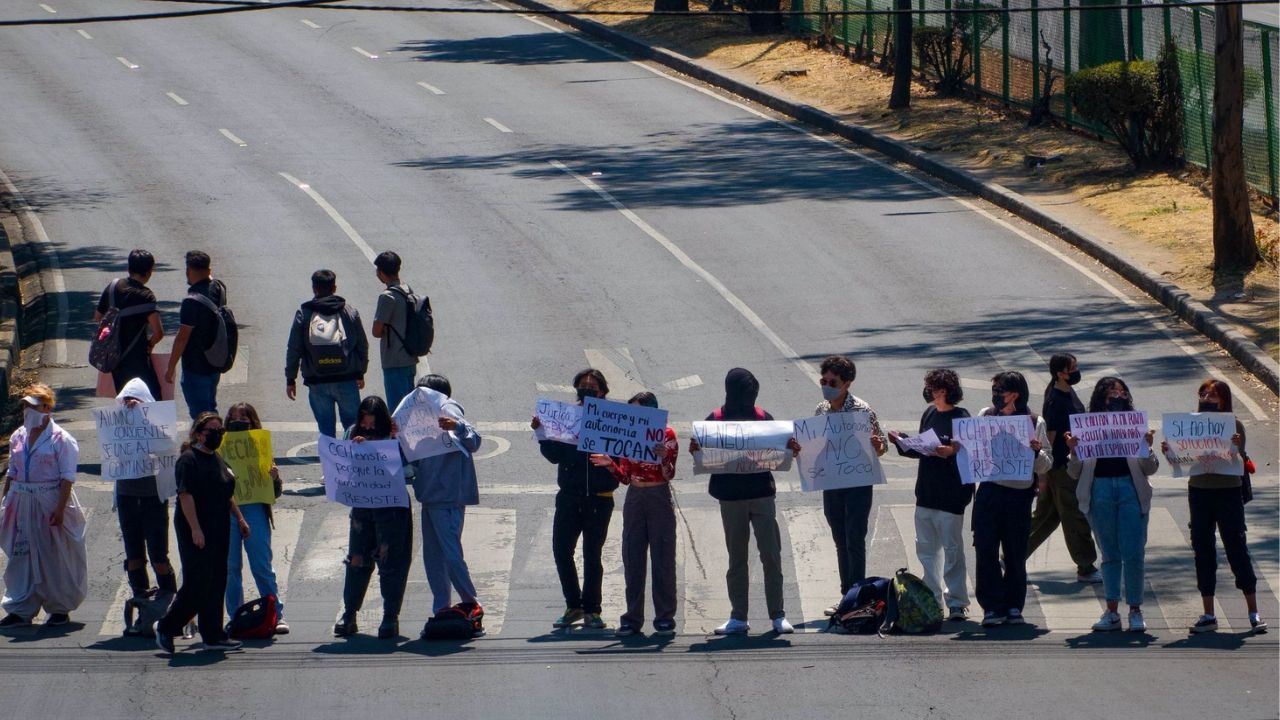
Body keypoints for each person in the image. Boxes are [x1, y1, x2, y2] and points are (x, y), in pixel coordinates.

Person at [689, 368, 793, 635]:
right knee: (737, 559)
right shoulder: (715, 420)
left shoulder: (763, 418)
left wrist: (790, 448)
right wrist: (697, 450)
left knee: (771, 555)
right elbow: (703, 454)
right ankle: (738, 616)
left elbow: (780, 451)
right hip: (731, 499)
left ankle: (777, 614)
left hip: (762, 496)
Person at [1161, 379, 1267, 634]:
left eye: (1213, 395)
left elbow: (1240, 464)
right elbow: (1180, 462)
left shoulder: (1234, 425)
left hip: (1228, 493)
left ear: (1224, 400)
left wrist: (1234, 447)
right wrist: (1169, 452)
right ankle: (1208, 613)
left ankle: (1253, 611)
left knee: (1236, 548)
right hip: (1199, 492)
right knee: (1203, 549)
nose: (1207, 398)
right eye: (1204, 394)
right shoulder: (1187, 425)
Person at [1063, 377, 1158, 633]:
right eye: (1111, 392)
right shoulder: (1087, 425)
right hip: (1100, 491)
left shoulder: (1135, 424)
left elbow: (1150, 468)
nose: (1117, 396)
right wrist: (1073, 450)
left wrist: (1147, 448)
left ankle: (1135, 609)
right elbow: (1074, 472)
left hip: (1130, 489)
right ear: (1101, 397)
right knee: (1110, 554)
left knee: (1134, 553)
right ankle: (1112, 611)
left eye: (1122, 392)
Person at [795, 356, 886, 614]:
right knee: (839, 539)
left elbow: (881, 447)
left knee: (855, 538)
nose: (826, 386)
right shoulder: (821, 409)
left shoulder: (862, 410)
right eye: (823, 381)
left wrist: (877, 445)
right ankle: (846, 594)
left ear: (846, 383)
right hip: (832, 483)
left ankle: (856, 596)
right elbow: (814, 445)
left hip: (857, 483)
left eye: (832, 382)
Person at [154, 412, 251, 653]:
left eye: (221, 430)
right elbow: (185, 495)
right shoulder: (189, 460)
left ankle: (213, 634)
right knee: (198, 583)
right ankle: (166, 627)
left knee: (218, 580)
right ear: (199, 434)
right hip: (196, 529)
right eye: (212, 431)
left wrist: (239, 518)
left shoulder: (217, 458)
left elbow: (227, 494)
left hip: (220, 527)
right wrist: (196, 529)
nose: (218, 434)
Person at [530, 369, 617, 630]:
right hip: (569, 497)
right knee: (561, 551)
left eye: (592, 386)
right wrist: (542, 433)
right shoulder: (566, 417)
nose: (587, 389)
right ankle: (574, 605)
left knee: (593, 555)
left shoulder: (613, 419)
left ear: (602, 391)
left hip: (599, 499)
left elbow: (625, 454)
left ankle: (593, 610)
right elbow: (555, 455)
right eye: (582, 386)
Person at [590, 391, 679, 637]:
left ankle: (664, 616)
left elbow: (669, 473)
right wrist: (610, 464)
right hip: (635, 498)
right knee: (633, 556)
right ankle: (631, 618)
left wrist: (663, 457)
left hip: (658, 495)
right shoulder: (628, 433)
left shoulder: (667, 435)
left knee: (663, 557)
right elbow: (626, 477)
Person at [889, 368, 973, 622]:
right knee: (926, 551)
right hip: (926, 492)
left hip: (951, 494)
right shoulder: (930, 413)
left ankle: (957, 602)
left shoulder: (962, 417)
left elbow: (969, 453)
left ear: (943, 390)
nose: (928, 392)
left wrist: (951, 451)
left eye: (932, 387)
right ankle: (933, 598)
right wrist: (902, 442)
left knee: (952, 549)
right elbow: (922, 448)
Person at [0, 385, 87, 628]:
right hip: (22, 501)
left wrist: (59, 510)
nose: (27, 410)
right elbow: (13, 471)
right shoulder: (19, 435)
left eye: (33, 405)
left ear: (47, 408)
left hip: (49, 501)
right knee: (21, 554)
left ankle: (59, 607)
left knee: (53, 555)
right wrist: (5, 501)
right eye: (25, 405)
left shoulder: (62, 439)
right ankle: (21, 608)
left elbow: (67, 477)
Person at [972, 371, 1052, 628]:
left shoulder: (1033, 421)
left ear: (1015, 394)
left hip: (1018, 496)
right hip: (989, 492)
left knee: (1015, 553)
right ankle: (992, 607)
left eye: (1000, 391)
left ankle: (1014, 605)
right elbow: (973, 447)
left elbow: (1045, 465)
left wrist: (1036, 451)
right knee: (985, 550)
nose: (995, 395)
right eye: (994, 390)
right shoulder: (986, 416)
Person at [333, 396, 413, 640]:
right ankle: (349, 614)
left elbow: (411, 467)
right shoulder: (350, 433)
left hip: (392, 508)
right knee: (356, 560)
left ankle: (390, 617)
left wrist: (388, 446)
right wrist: (354, 450)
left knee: (391, 562)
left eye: (372, 426)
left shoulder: (396, 436)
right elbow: (339, 467)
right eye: (364, 425)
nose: (367, 430)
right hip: (362, 506)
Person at [410, 374, 484, 636]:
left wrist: (457, 426)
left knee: (450, 554)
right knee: (433, 557)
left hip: (448, 495)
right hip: (429, 494)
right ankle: (442, 607)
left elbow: (474, 440)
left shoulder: (449, 409)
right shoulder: (416, 417)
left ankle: (470, 602)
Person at [1028, 352, 1101, 584]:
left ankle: (1012, 554)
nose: (1076, 371)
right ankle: (1086, 565)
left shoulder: (1067, 391)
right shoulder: (1055, 400)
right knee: (1074, 515)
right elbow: (1049, 436)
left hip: (1070, 464)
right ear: (1060, 373)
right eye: (1072, 368)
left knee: (1046, 516)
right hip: (1061, 468)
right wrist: (1044, 474)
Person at [222, 402, 289, 635]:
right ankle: (235, 616)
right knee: (230, 568)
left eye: (244, 420)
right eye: (233, 420)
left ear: (253, 423)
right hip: (227, 512)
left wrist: (274, 478)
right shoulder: (220, 447)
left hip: (254, 509)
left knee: (261, 565)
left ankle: (275, 614)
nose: (238, 424)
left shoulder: (260, 447)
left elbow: (275, 493)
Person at [286, 269, 369, 440]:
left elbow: (294, 348)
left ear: (314, 288)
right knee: (353, 430)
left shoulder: (305, 313)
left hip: (317, 380)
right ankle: (353, 464)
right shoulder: (348, 311)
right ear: (334, 287)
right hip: (346, 378)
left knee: (326, 431)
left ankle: (331, 464)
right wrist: (360, 371)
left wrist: (290, 378)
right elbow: (362, 344)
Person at [114, 378, 177, 602]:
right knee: (134, 556)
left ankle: (170, 601)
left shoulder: (157, 423)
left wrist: (144, 416)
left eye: (135, 400)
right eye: (126, 400)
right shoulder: (115, 424)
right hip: (127, 496)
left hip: (153, 496)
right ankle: (141, 601)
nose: (130, 404)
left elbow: (169, 446)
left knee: (159, 557)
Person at [166, 250, 228, 420]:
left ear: (189, 271)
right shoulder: (218, 287)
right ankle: (213, 440)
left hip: (196, 365)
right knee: (209, 406)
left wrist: (170, 368)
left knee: (201, 415)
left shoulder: (191, 301)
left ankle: (208, 443)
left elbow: (182, 337)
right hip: (215, 359)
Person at [94, 249, 164, 400]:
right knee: (152, 401)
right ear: (149, 272)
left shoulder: (112, 287)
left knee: (125, 401)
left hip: (115, 358)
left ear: (129, 268)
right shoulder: (146, 296)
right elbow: (158, 332)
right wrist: (149, 345)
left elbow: (98, 317)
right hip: (138, 359)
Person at [371, 251, 419, 411]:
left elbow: (376, 331)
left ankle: (399, 437)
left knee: (397, 410)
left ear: (382, 273)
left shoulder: (387, 297)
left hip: (394, 360)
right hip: (410, 356)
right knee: (409, 407)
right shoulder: (408, 290)